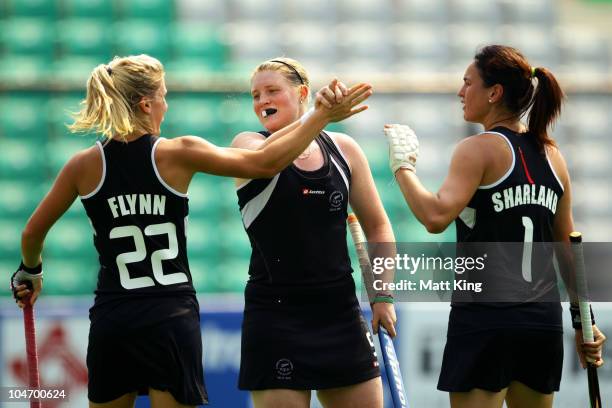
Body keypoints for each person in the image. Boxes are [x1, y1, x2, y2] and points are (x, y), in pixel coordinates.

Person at [9, 54, 372, 408]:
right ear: (147, 104)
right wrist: (321, 116)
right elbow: (265, 163)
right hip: (171, 317)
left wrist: (31, 271)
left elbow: (30, 234)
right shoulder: (178, 152)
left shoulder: (82, 165)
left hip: (112, 318)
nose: (166, 105)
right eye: (164, 96)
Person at [383, 45, 606, 408]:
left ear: (494, 92)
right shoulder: (553, 155)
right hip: (541, 324)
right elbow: (569, 248)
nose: (460, 92)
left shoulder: (478, 149)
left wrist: (402, 167)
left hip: (486, 320)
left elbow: (435, 217)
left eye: (467, 83)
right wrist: (584, 321)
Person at [231, 57, 396, 408]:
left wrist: (382, 295)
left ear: (302, 93)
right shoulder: (248, 144)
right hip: (275, 318)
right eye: (256, 95)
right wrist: (319, 115)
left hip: (340, 314)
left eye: (272, 91)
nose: (262, 101)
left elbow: (379, 226)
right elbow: (268, 161)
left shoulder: (344, 149)